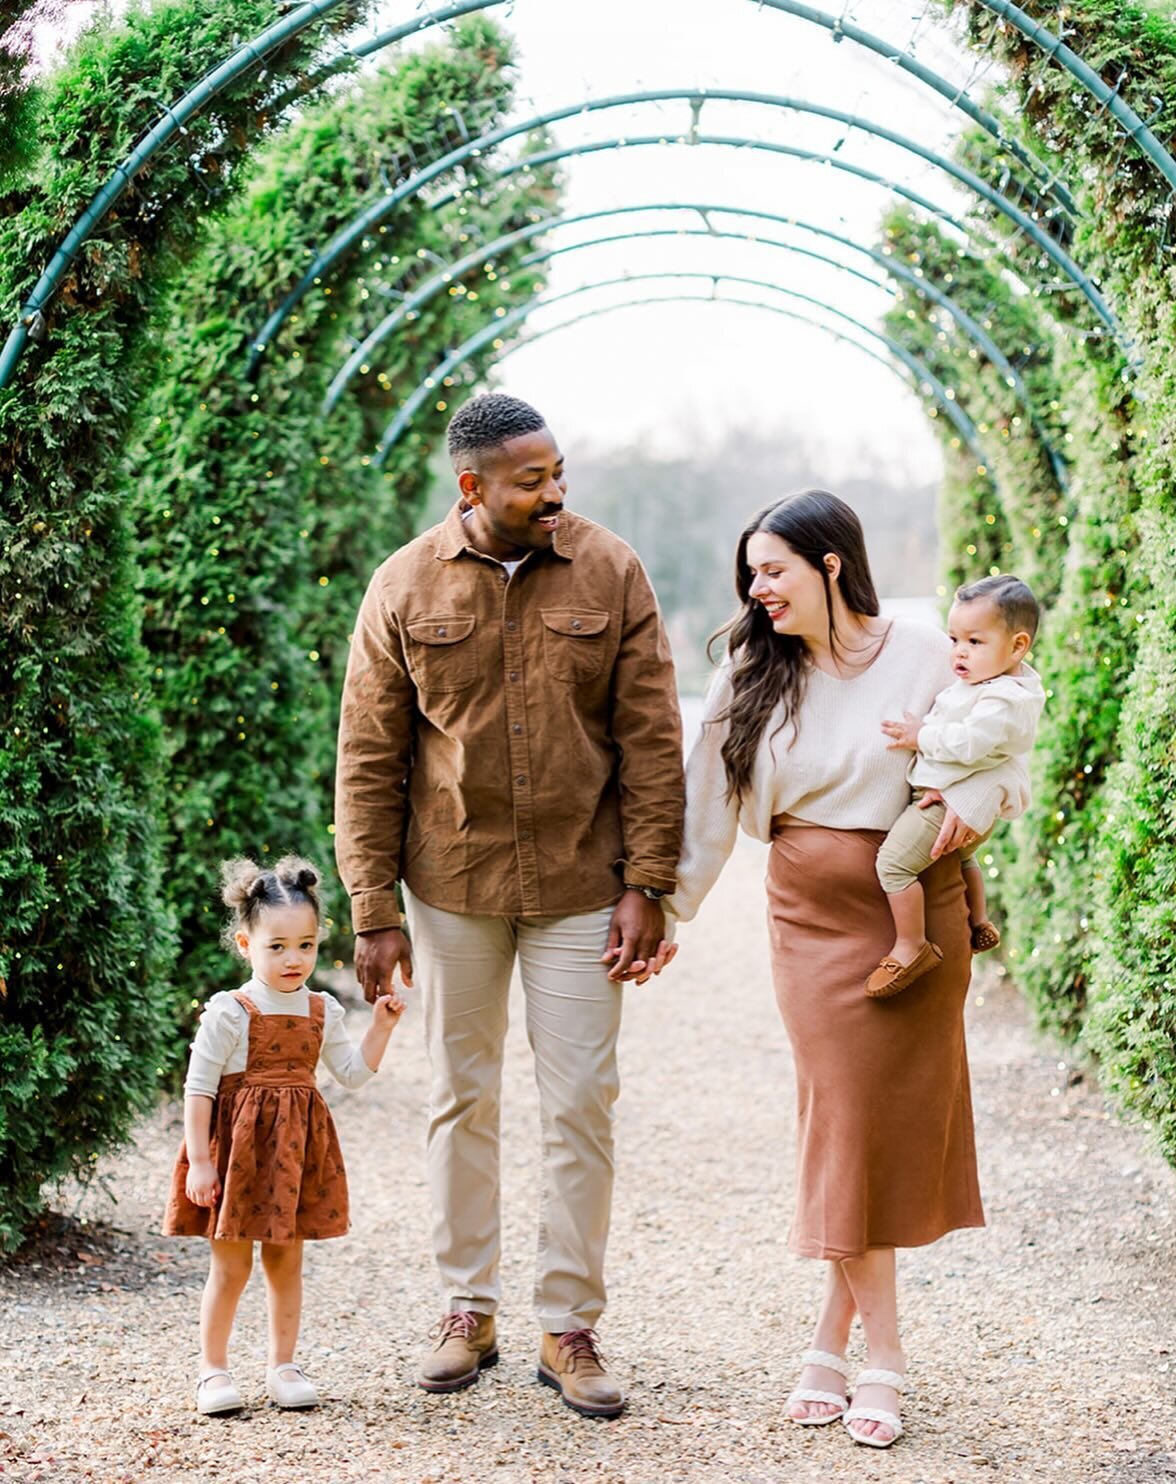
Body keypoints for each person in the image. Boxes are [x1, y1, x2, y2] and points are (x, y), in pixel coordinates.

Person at [333, 392, 684, 1419]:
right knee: (459, 1092)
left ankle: (567, 1323)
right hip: (451, 884)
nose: (553, 491)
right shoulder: (400, 585)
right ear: (472, 486)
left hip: (582, 880)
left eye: (558, 471)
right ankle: (464, 1310)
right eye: (531, 478)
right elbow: (367, 757)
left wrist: (647, 882)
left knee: (581, 1097)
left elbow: (651, 734)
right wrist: (371, 909)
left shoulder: (611, 569)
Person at [669, 491, 986, 1450]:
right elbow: (703, 805)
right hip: (809, 918)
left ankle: (827, 1340)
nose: (756, 589)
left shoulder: (930, 651)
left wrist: (983, 806)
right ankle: (882, 1356)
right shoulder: (747, 671)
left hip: (916, 913)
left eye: (772, 570)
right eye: (750, 574)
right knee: (844, 1117)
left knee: (878, 1132)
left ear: (831, 565)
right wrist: (663, 914)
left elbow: (1002, 740)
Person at [163, 856, 404, 1416]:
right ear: (246, 944)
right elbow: (198, 1089)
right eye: (277, 946)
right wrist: (201, 1163)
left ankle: (283, 1366)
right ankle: (213, 1370)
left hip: (292, 1155)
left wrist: (382, 1029)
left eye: (306, 945)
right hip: (236, 1154)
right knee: (231, 1266)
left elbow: (352, 1075)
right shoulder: (230, 1011)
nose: (293, 959)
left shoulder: (323, 1010)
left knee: (284, 1262)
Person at [868, 573, 1045, 997]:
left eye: (974, 642)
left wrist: (919, 736)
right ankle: (979, 921)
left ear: (1018, 645)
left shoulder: (1002, 699)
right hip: (957, 802)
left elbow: (967, 743)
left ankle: (911, 945)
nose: (959, 653)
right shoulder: (986, 684)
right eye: (953, 639)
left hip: (947, 805)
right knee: (966, 861)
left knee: (892, 865)